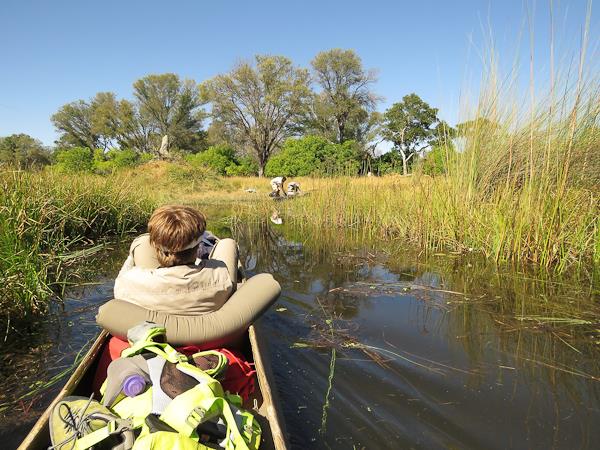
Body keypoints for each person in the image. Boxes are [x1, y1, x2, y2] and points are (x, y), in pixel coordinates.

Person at [113, 205, 238, 314]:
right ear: (197, 246)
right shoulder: (221, 276)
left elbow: (122, 283)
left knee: (141, 241)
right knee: (227, 243)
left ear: (156, 247)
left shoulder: (129, 282)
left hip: (151, 299)